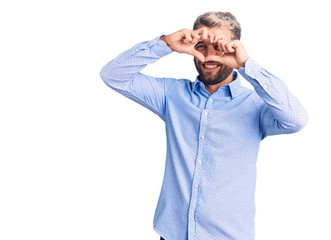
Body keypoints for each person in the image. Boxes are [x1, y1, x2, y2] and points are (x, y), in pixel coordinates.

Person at [100, 11, 308, 240]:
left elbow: (296, 119)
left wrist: (246, 65)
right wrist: (165, 44)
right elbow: (113, 75)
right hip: (172, 235)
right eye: (201, 46)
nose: (208, 57)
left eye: (218, 47)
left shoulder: (256, 105)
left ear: (234, 47)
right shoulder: (172, 95)